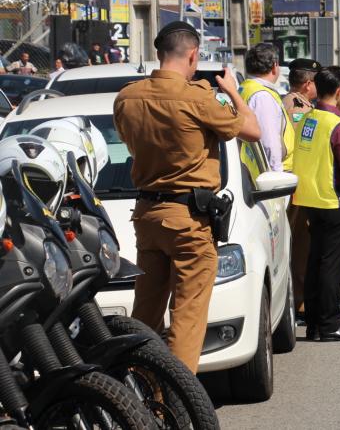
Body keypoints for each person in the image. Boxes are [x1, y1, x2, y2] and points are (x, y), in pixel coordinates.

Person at [113, 21, 261, 372]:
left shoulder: (127, 97)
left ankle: (138, 393)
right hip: (189, 221)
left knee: (145, 314)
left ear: (159, 52)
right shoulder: (197, 98)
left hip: (148, 217)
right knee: (187, 319)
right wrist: (233, 91)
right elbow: (252, 131)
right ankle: (175, 406)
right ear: (193, 55)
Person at [292, 66, 340, 341]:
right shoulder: (337, 125)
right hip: (335, 201)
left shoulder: (308, 119)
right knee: (332, 268)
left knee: (316, 264)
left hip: (311, 198)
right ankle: (331, 324)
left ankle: (314, 325)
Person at [282, 57, 321, 324]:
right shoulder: (296, 107)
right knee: (299, 246)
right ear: (308, 84)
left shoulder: (301, 104)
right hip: (297, 185)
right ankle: (299, 302)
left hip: (299, 183)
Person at [239, 43, 294, 172]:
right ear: (275, 66)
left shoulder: (245, 88)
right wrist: (276, 177)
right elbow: (269, 143)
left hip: (254, 170)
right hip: (270, 175)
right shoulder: (262, 96)